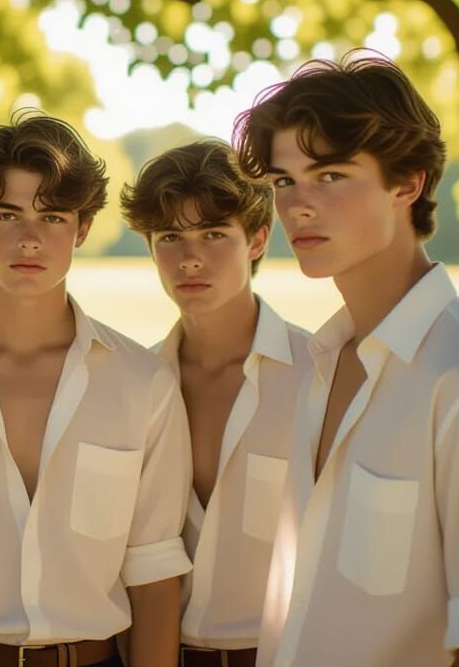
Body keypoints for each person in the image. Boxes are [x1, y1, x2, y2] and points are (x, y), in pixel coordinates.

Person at [233, 52, 459, 667]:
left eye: (330, 175)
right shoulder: (319, 362)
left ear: (407, 183)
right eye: (283, 181)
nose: (297, 205)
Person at [0, 113, 192, 667]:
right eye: (6, 214)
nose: (29, 239)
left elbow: (155, 572)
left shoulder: (144, 384)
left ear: (83, 229)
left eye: (52, 217)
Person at [120, 140, 310, 667]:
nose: (191, 257)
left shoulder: (322, 375)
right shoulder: (128, 385)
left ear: (257, 240)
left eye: (214, 234)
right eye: (170, 237)